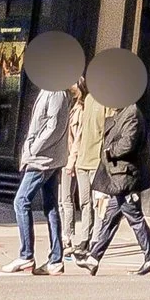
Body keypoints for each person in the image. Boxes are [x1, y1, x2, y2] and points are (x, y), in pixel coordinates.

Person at [83, 92, 150, 278]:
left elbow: (128, 143)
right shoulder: (121, 113)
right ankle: (94, 258)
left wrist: (110, 151)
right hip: (117, 177)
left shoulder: (132, 113)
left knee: (134, 217)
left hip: (125, 176)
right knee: (110, 217)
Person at [11, 75, 71, 274]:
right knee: (51, 206)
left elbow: (53, 126)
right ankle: (55, 259)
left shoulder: (57, 92)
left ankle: (26, 255)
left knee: (21, 201)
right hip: (47, 157)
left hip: (44, 159)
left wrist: (34, 149)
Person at [63, 85, 109, 255]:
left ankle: (96, 239)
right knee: (85, 202)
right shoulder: (88, 100)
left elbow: (108, 132)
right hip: (82, 160)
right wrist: (74, 158)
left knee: (98, 203)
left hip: (97, 161)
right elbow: (79, 133)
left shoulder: (107, 103)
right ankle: (84, 238)